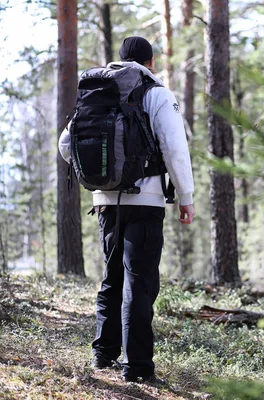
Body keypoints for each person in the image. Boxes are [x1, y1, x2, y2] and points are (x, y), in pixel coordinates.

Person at [58, 36, 195, 382]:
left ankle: (102, 356)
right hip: (145, 202)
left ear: (120, 60)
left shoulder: (99, 92)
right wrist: (185, 196)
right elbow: (175, 149)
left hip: (105, 202)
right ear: (150, 61)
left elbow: (65, 144)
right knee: (139, 282)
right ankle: (137, 368)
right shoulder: (156, 93)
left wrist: (104, 172)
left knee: (112, 278)